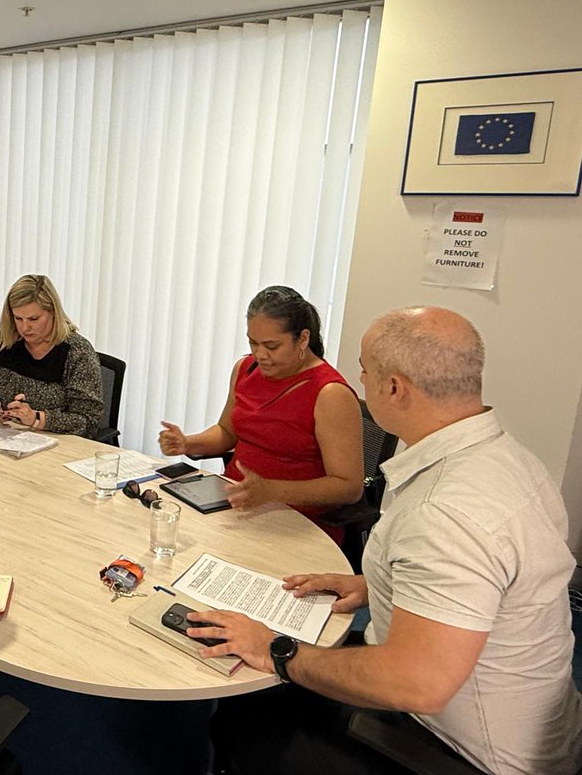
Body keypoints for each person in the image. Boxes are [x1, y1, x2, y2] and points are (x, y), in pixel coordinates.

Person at [199, 307, 582, 775]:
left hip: (458, 749)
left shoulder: (445, 512)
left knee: (243, 714)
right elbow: (492, 578)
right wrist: (374, 583)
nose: (358, 381)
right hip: (535, 723)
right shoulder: (508, 459)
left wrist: (275, 650)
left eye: (364, 370)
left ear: (395, 387)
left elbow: (417, 685)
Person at [158, 285, 362, 536]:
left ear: (303, 339)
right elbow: (227, 432)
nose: (260, 354)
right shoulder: (245, 368)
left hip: (297, 522)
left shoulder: (330, 394)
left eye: (272, 346)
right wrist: (187, 443)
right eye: (253, 343)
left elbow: (348, 487)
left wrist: (272, 491)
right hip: (233, 504)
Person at [0, 274, 104, 438]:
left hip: (57, 443)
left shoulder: (77, 352)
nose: (25, 328)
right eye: (18, 318)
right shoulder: (7, 339)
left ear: (53, 313)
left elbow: (88, 422)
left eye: (33, 319)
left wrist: (37, 419)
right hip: (6, 437)